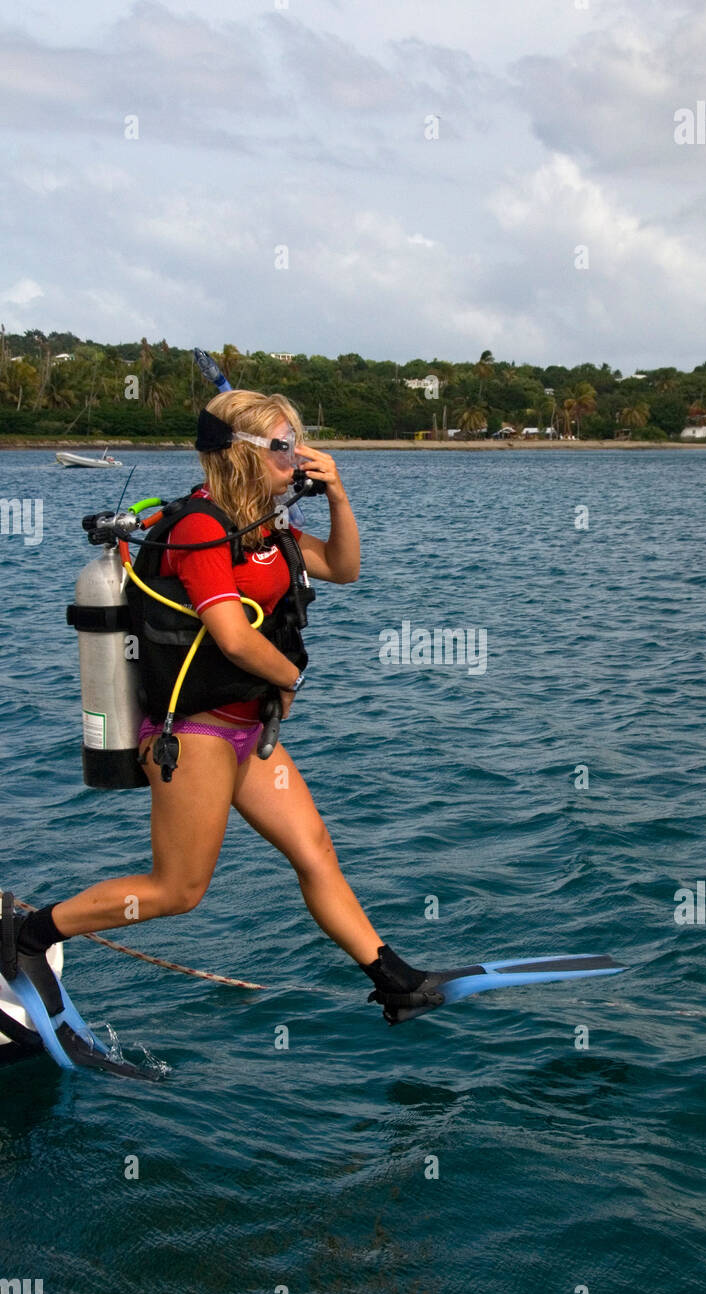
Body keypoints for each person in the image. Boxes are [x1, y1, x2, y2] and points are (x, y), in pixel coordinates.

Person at [11, 390, 433, 1024]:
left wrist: (340, 494)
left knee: (314, 849)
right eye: (285, 448)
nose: (300, 459)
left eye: (301, 444)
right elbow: (232, 635)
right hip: (196, 737)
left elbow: (344, 568)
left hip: (246, 732)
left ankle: (393, 979)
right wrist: (289, 675)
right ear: (244, 456)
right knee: (177, 890)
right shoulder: (203, 529)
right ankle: (26, 936)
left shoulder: (265, 523)